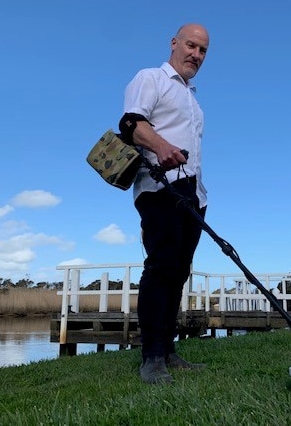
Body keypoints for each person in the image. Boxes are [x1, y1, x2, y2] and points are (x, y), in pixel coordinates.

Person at [119, 23, 210, 384]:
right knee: (160, 267)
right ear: (174, 44)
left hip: (194, 193)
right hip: (159, 188)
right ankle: (151, 357)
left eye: (203, 51)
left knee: (180, 270)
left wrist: (201, 193)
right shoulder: (150, 78)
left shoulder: (193, 98)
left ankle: (169, 351)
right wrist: (162, 148)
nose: (196, 55)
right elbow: (131, 124)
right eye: (191, 46)